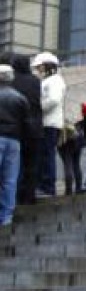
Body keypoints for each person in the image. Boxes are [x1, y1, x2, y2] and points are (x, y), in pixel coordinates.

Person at [7, 54, 42, 205]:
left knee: (16, 164)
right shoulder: (36, 81)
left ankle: (16, 196)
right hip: (35, 128)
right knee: (32, 164)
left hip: (18, 128)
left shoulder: (12, 81)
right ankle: (30, 196)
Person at [0, 64, 29, 227]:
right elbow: (26, 120)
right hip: (14, 140)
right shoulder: (19, 98)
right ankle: (6, 216)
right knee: (10, 179)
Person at [33, 51, 65, 197]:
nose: (38, 69)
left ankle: (48, 187)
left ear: (48, 66)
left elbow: (53, 100)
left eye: (40, 66)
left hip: (50, 123)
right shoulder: (49, 80)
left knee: (47, 155)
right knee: (44, 155)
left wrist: (38, 106)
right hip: (47, 122)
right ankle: (44, 185)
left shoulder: (55, 81)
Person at [57, 119, 83, 195]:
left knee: (67, 164)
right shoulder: (76, 112)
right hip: (77, 138)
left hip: (65, 138)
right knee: (76, 164)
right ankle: (78, 187)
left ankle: (69, 189)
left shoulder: (61, 113)